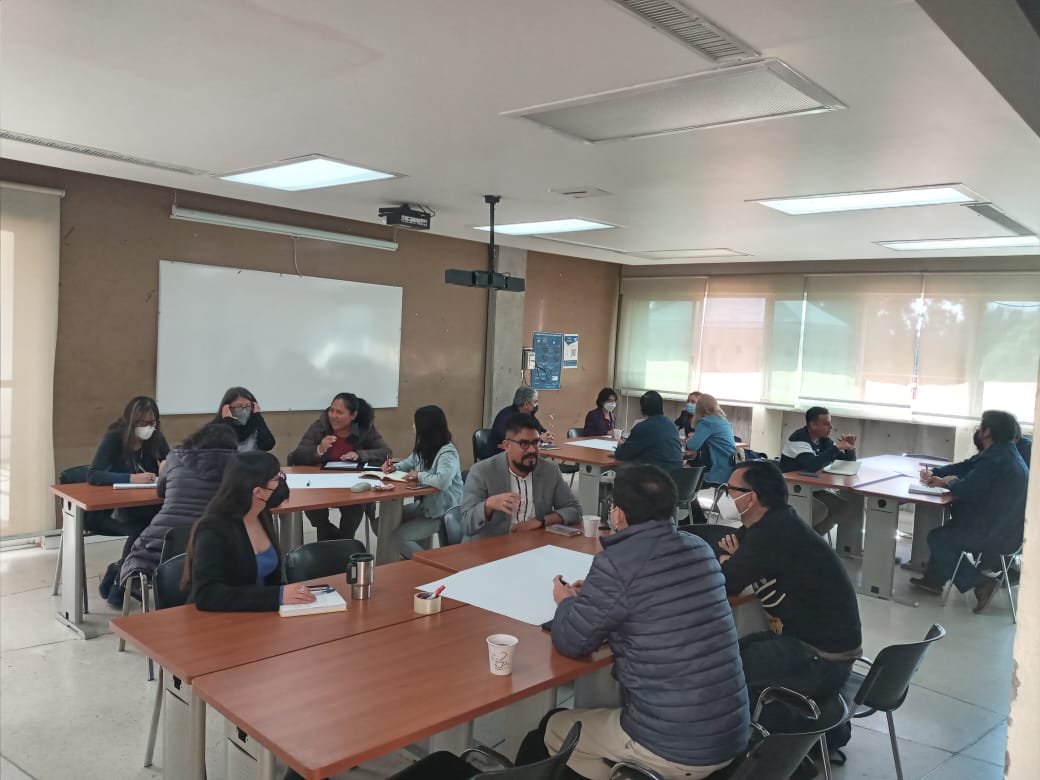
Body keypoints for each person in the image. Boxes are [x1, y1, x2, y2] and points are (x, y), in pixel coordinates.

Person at [537, 465, 748, 780]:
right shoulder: (700, 549)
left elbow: (571, 641)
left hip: (674, 745)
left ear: (618, 514)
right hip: (731, 732)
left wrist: (566, 601)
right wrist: (598, 596)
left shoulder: (616, 564)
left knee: (557, 729)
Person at [714, 460, 862, 748]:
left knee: (723, 666)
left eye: (731, 489)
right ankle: (820, 728)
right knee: (739, 648)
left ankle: (758, 747)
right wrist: (732, 560)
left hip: (822, 660)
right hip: (819, 647)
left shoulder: (773, 534)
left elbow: (727, 581)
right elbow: (727, 552)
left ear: (751, 498)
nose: (726, 495)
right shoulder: (774, 522)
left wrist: (731, 562)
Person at [910, 410, 1028, 612]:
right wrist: (936, 473)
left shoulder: (994, 459)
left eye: (981, 425)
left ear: (987, 431)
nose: (978, 429)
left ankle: (981, 583)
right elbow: (968, 466)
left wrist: (948, 482)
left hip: (995, 534)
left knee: (938, 538)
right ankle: (933, 580)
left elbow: (966, 489)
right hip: (1011, 532)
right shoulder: (1006, 453)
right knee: (950, 529)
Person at [183, 451, 316, 612]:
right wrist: (276, 596)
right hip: (219, 618)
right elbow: (207, 595)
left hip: (260, 613)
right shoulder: (213, 529)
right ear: (257, 491)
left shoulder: (261, 514)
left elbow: (271, 580)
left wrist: (292, 594)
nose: (282, 483)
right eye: (276, 479)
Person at [119, 423, 238, 587]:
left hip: (161, 542)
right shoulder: (238, 465)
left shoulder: (176, 457)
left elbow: (161, 491)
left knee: (135, 553)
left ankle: (117, 582)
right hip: (213, 546)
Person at [89, 396, 171, 607]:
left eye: (152, 423)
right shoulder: (114, 438)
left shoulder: (156, 438)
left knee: (163, 525)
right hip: (115, 510)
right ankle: (123, 579)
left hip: (146, 504)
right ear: (130, 421)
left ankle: (120, 573)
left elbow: (170, 460)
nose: (148, 428)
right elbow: (94, 475)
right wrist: (130, 478)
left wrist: (166, 466)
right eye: (142, 423)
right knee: (143, 528)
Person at [460, 413, 581, 540]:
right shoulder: (482, 472)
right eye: (524, 444)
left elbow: (575, 510)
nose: (532, 450)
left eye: (535, 442)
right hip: (491, 545)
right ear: (507, 446)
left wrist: (541, 521)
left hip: (534, 543)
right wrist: (488, 505)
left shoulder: (549, 470)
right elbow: (466, 525)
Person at [290, 393, 390, 541]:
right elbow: (297, 455)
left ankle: (345, 540)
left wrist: (360, 454)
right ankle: (327, 531)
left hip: (350, 483)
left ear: (353, 415)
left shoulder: (362, 429)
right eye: (331, 410)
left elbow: (386, 452)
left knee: (355, 506)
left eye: (339, 412)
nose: (333, 416)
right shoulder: (320, 427)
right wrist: (318, 449)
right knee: (313, 506)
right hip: (320, 484)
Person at [382, 405, 464, 559]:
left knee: (398, 537)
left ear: (426, 428)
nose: (413, 427)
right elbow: (409, 462)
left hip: (444, 512)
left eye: (416, 423)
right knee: (383, 523)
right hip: (427, 506)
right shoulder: (424, 447)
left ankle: (430, 565)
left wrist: (419, 475)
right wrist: (394, 467)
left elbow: (442, 481)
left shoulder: (448, 453)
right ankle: (411, 560)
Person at [779, 406, 858, 535]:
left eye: (830, 423)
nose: (831, 427)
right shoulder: (798, 439)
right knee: (820, 510)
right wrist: (836, 448)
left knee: (842, 507)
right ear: (813, 425)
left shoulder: (824, 440)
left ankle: (814, 539)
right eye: (826, 424)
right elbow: (813, 465)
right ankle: (805, 540)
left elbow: (846, 462)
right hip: (791, 488)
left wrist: (849, 449)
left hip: (812, 487)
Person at [613, 391, 683, 471]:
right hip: (678, 475)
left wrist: (620, 445)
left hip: (656, 475)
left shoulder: (643, 427)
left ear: (642, 408)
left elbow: (622, 454)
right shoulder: (671, 425)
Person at [684, 393, 737, 486]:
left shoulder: (706, 422)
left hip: (717, 471)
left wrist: (690, 440)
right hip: (730, 468)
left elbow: (692, 446)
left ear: (699, 407)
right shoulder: (722, 420)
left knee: (682, 478)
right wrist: (697, 436)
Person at [211, 386, 275, 453]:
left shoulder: (255, 425)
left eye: (248, 406)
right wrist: (227, 421)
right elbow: (224, 451)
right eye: (239, 406)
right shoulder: (214, 429)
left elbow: (268, 445)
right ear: (227, 408)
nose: (244, 411)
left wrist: (258, 416)